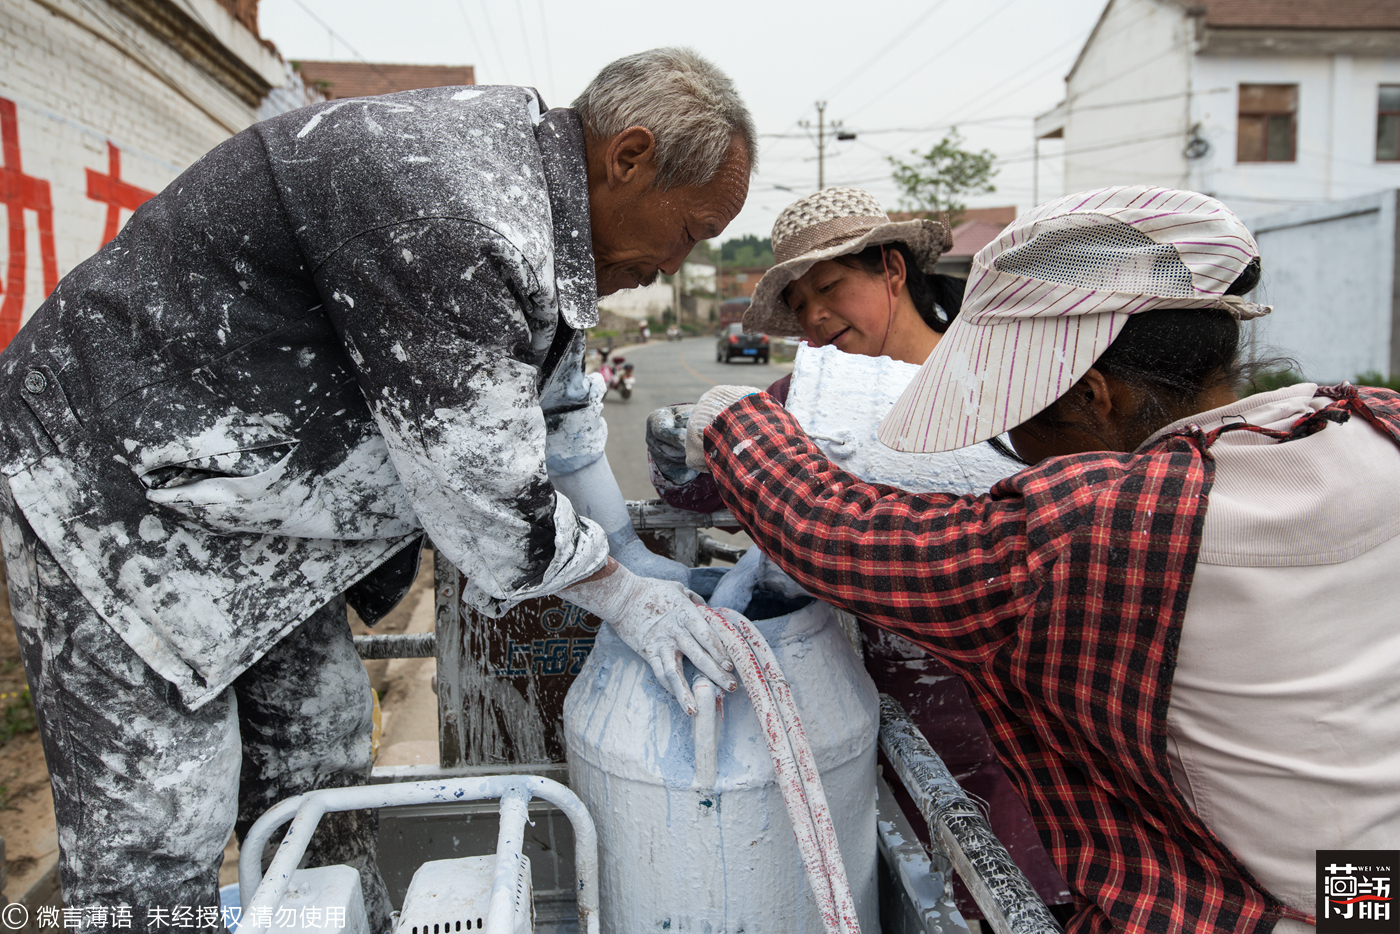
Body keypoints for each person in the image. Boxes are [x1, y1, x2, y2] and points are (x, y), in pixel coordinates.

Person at [0, 47, 752, 927]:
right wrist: (624, 596)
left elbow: (563, 405)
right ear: (628, 157)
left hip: (253, 509)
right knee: (164, 820)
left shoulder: (540, 210)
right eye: (694, 230)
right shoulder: (458, 206)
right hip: (113, 486)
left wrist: (624, 548)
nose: (680, 260)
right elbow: (487, 499)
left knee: (319, 754)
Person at [667, 186, 1400, 933]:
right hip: (1370, 882)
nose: (1014, 458)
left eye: (1018, 422)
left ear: (1092, 397)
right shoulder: (1374, 424)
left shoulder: (1102, 527)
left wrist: (731, 418)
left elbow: (839, 532)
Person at [648, 187, 1073, 919]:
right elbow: (694, 480)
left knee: (1003, 885)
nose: (815, 317)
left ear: (892, 271)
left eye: (831, 286)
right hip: (857, 694)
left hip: (998, 698)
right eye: (802, 300)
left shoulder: (1007, 393)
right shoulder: (811, 397)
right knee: (892, 881)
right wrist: (672, 444)